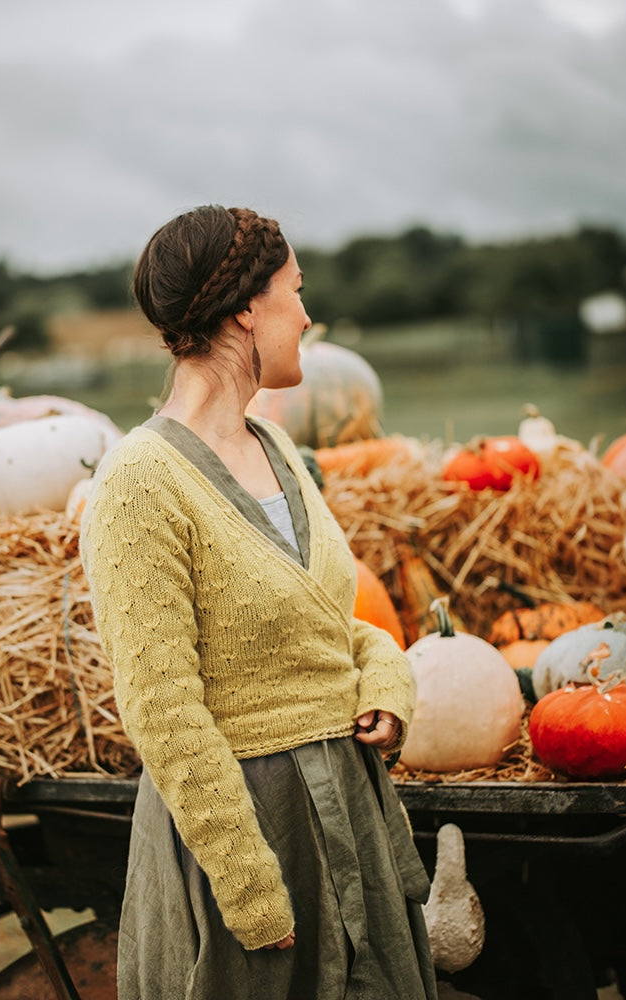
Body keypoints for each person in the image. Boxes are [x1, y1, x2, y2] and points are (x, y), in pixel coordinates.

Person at [79, 204, 437, 1000]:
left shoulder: (274, 447)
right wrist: (246, 884)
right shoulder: (140, 482)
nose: (306, 314)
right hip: (247, 831)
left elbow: (326, 621)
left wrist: (383, 677)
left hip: (347, 806)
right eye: (294, 291)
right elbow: (162, 709)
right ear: (246, 307)